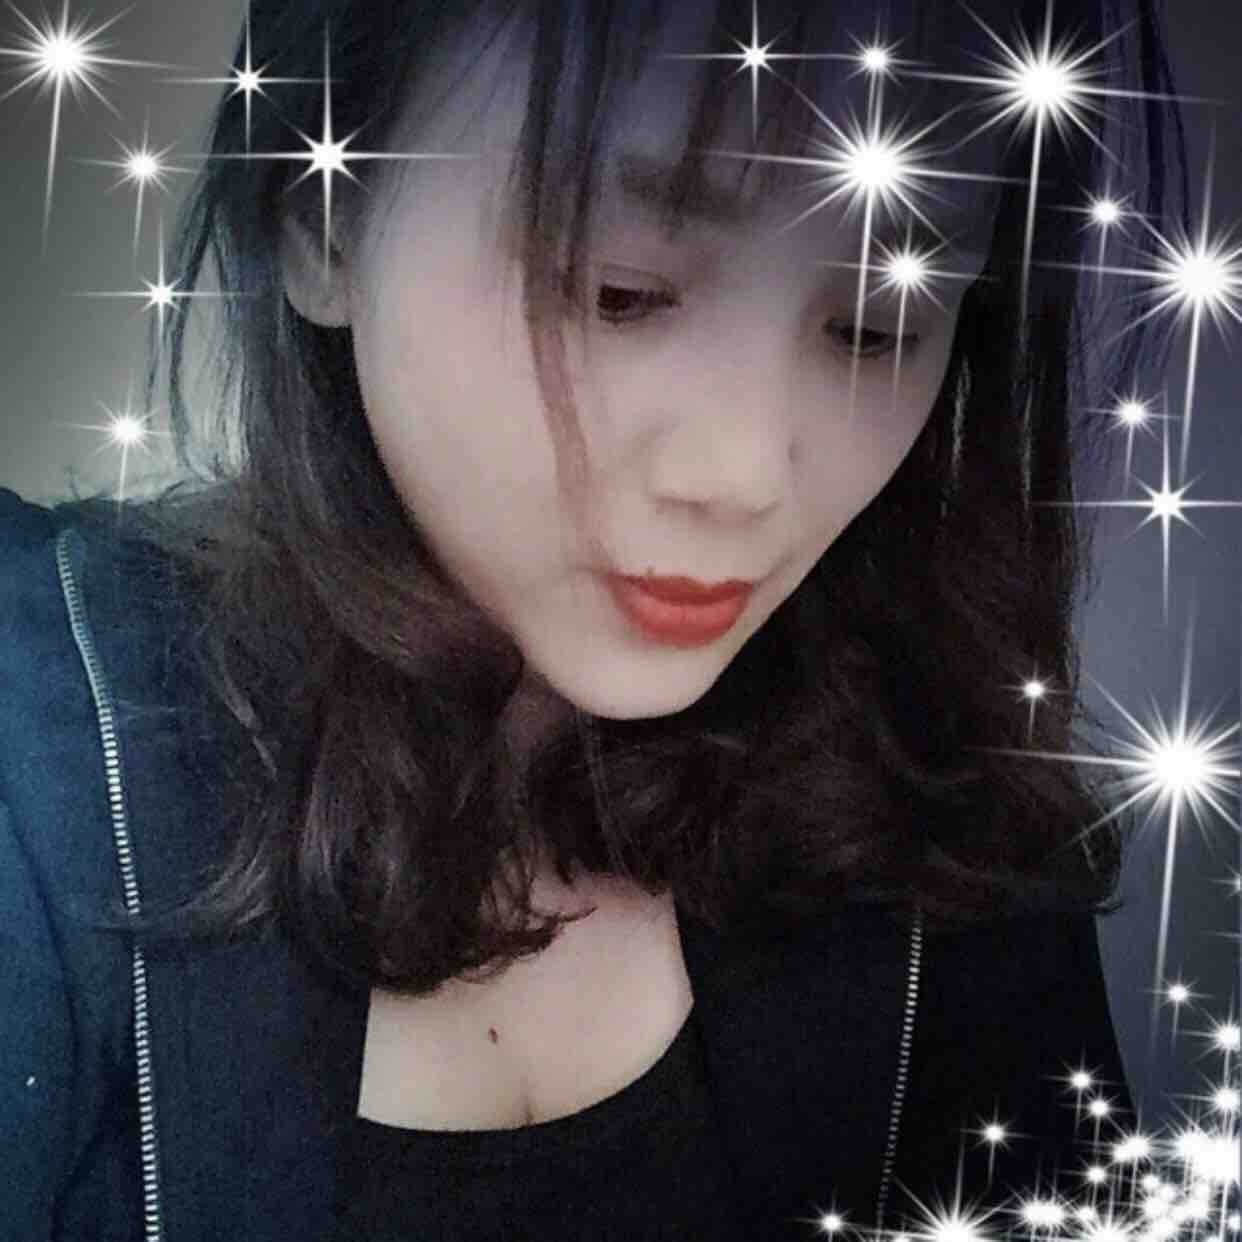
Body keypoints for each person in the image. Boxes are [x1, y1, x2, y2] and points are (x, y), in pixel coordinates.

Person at [0, 0, 1186, 1238]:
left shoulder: (940, 792)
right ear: (323, 214)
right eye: (624, 291)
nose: (746, 475)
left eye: (877, 324)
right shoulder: (50, 768)